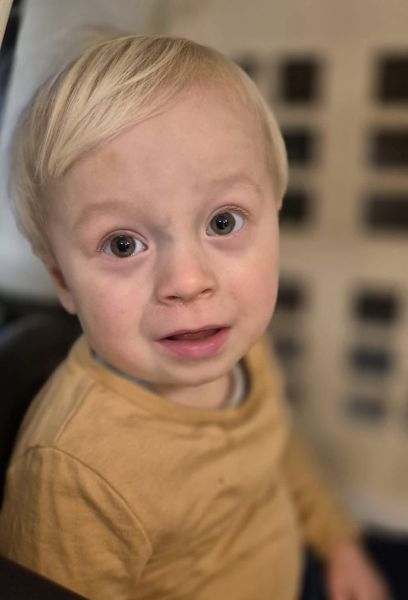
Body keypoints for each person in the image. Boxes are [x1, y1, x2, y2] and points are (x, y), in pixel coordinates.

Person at [0, 32, 390, 600]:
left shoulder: (236, 345)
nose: (187, 283)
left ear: (275, 215)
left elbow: (275, 448)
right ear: (62, 280)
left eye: (223, 222)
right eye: (123, 245)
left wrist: (339, 543)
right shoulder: (76, 474)